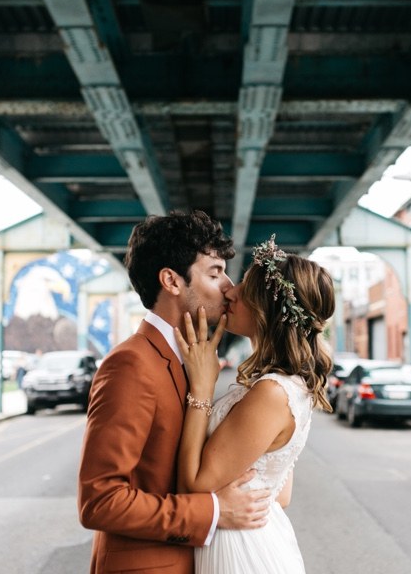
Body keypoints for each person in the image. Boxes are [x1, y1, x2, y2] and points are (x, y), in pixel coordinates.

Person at [77, 210, 271, 574]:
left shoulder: (193, 359)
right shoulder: (131, 365)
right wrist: (214, 510)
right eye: (215, 273)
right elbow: (99, 501)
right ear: (171, 280)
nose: (229, 286)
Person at [175, 234, 335, 573]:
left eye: (244, 289)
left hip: (240, 552)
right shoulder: (286, 386)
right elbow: (281, 492)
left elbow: (195, 484)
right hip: (256, 539)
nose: (229, 291)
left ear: (268, 308)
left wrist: (201, 390)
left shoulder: (272, 393)